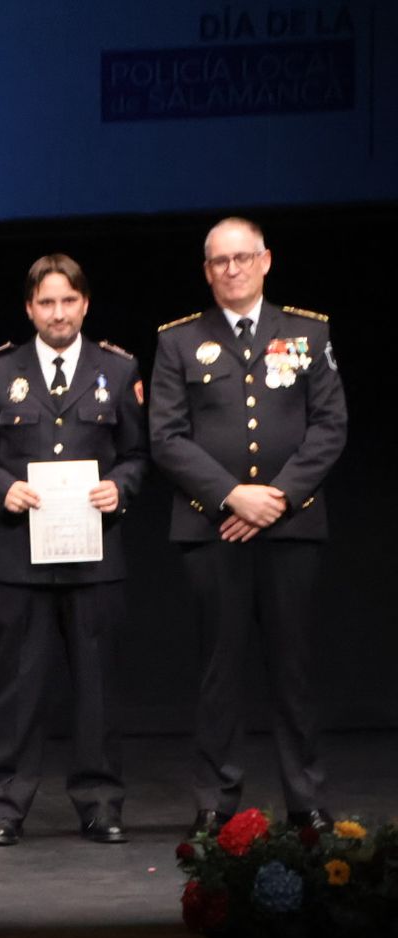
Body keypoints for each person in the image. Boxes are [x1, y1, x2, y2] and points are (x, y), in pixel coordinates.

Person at [149, 217, 348, 838]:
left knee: (293, 668)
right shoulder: (179, 342)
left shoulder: (307, 332)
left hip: (292, 528)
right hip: (213, 530)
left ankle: (305, 800)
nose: (231, 269)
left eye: (242, 258)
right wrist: (233, 496)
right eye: (218, 261)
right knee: (220, 668)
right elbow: (166, 436)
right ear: (206, 271)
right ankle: (215, 800)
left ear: (266, 261)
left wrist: (279, 498)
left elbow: (329, 427)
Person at [0, 255, 148, 846]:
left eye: (68, 302)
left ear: (85, 304)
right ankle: (6, 806)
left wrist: (121, 488)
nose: (58, 314)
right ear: (29, 308)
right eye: (46, 303)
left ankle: (100, 803)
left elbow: (139, 455)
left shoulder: (117, 369)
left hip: (94, 556)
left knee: (96, 688)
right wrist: (2, 487)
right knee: (17, 689)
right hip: (18, 557)